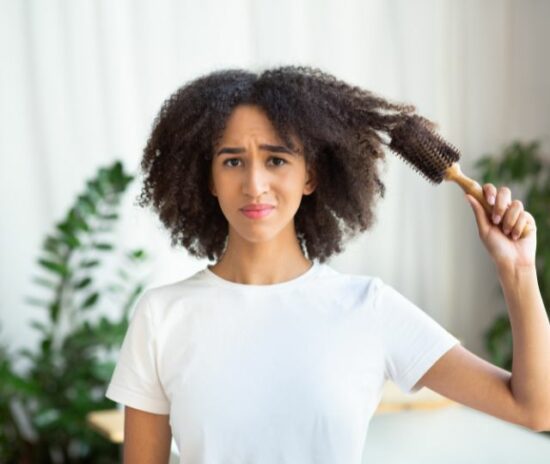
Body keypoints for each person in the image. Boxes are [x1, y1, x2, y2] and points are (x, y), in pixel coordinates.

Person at [105, 65, 549, 463]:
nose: (254, 184)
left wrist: (518, 273)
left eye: (276, 160)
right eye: (233, 161)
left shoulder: (368, 309)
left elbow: (535, 408)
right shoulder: (161, 316)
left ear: (311, 176)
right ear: (210, 180)